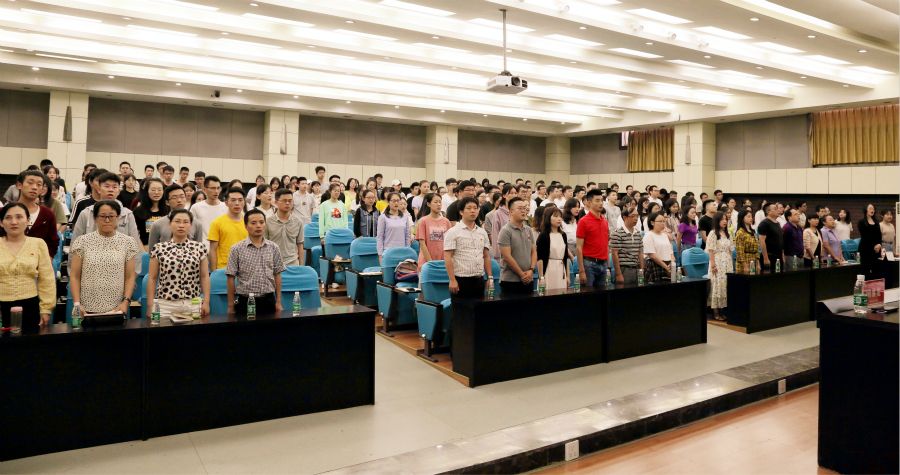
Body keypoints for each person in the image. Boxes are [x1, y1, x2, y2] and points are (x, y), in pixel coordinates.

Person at [70, 200, 140, 315]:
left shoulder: (128, 242)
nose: (107, 220)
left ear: (118, 217)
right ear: (95, 218)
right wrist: (77, 304)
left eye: (111, 216)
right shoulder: (82, 241)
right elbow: (75, 276)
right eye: (102, 216)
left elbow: (130, 276)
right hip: (86, 307)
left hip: (117, 308)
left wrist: (126, 301)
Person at [70, 172, 142, 273]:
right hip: (90, 270)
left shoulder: (127, 214)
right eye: (107, 186)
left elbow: (135, 246)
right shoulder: (86, 213)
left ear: (119, 191)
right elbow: (75, 245)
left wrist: (134, 274)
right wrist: (73, 273)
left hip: (120, 270)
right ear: (99, 189)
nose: (110, 189)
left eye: (114, 187)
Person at [145, 209, 211, 319]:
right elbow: (152, 278)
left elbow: (204, 277)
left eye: (185, 222)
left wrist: (206, 302)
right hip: (166, 304)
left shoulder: (199, 247)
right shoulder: (159, 248)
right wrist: (150, 305)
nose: (181, 225)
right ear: (170, 224)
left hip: (193, 303)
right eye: (177, 221)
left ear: (191, 225)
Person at [0, 203, 55, 328]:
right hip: (1, 305)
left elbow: (47, 279)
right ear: (1, 222)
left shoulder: (38, 244)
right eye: (8, 218)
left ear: (28, 220)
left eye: (19, 217)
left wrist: (46, 309)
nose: (14, 222)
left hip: (30, 304)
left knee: (30, 339)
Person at [226, 209, 286, 315]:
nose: (258, 226)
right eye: (253, 223)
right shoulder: (236, 249)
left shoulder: (273, 247)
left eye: (261, 222)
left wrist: (278, 301)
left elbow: (277, 275)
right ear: (246, 226)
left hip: (268, 300)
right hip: (245, 301)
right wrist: (231, 305)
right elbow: (231, 278)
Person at [443, 197, 492, 298]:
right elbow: (447, 256)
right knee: (462, 308)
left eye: (475, 208)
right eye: (469, 208)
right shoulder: (453, 232)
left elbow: (486, 256)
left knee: (479, 307)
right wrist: (452, 280)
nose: (473, 211)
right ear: (461, 212)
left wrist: (490, 278)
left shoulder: (482, 232)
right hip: (461, 280)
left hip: (479, 279)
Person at [12, 170, 61, 258]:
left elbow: (53, 242)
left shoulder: (47, 214)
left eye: (39, 184)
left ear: (42, 189)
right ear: (19, 185)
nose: (34, 187)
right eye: (30, 183)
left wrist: (46, 262)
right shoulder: (5, 212)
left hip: (38, 263)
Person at [498, 198, 537, 294]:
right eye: (520, 208)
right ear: (511, 212)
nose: (523, 211)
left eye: (524, 208)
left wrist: (531, 270)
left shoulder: (528, 229)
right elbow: (507, 256)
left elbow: (533, 251)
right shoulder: (506, 230)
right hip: (510, 281)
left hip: (529, 279)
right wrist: (521, 274)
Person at [208, 188, 248, 271]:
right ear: (226, 203)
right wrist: (214, 273)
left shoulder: (249, 223)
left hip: (245, 268)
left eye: (240, 200)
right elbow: (213, 250)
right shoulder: (217, 223)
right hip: (223, 269)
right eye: (233, 200)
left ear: (244, 203)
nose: (237, 203)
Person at [576, 189, 610, 287]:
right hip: (589, 264)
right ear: (589, 203)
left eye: (602, 200)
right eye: (597, 200)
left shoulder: (605, 222)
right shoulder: (583, 221)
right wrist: (581, 270)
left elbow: (606, 245)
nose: (601, 203)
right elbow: (579, 248)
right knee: (588, 293)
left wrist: (608, 266)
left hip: (603, 264)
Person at [704, 211, 733, 320]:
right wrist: (713, 265)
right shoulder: (713, 233)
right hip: (717, 262)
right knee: (717, 285)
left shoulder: (728, 234)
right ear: (717, 221)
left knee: (725, 286)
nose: (725, 221)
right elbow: (711, 250)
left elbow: (730, 250)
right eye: (722, 219)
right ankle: (716, 312)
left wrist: (731, 263)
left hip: (727, 262)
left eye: (726, 219)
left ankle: (723, 310)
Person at [264, 189, 304, 267]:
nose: (287, 203)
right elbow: (264, 245)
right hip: (273, 264)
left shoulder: (298, 222)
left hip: (293, 263)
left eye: (290, 201)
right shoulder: (268, 222)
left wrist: (301, 266)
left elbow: (300, 244)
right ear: (276, 202)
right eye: (284, 201)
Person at [536, 207, 572, 290]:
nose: (559, 219)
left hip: (561, 269)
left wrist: (568, 275)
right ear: (548, 218)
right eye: (555, 216)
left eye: (560, 216)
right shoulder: (544, 235)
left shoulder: (563, 235)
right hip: (549, 269)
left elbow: (565, 257)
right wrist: (541, 278)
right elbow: (540, 259)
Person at [416, 192, 451, 272]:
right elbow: (422, 244)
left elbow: (449, 242)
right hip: (427, 264)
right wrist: (431, 263)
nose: (438, 204)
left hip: (443, 263)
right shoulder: (423, 221)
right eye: (435, 202)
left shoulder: (446, 221)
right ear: (428, 204)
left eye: (440, 202)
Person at [191, 175, 228, 250]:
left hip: (222, 248)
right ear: (204, 189)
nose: (216, 191)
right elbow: (191, 229)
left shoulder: (226, 207)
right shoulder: (196, 207)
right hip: (202, 248)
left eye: (218, 188)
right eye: (213, 188)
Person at [610, 206, 644, 284]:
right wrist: (618, 274)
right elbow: (614, 254)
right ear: (625, 217)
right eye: (633, 216)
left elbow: (640, 252)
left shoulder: (638, 233)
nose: (636, 218)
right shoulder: (617, 233)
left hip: (636, 268)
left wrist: (642, 269)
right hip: (624, 269)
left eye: (637, 216)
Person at [132, 178, 168, 249]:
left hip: (166, 247)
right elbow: (135, 235)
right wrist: (143, 251)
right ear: (147, 191)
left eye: (159, 190)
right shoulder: (138, 211)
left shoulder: (169, 210)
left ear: (163, 191)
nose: (156, 192)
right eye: (153, 190)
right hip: (146, 247)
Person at [643, 211, 675, 283]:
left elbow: (671, 252)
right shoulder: (649, 235)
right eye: (660, 221)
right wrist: (665, 267)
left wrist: (672, 264)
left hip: (667, 265)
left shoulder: (665, 236)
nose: (663, 223)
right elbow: (652, 255)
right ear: (652, 223)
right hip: (655, 265)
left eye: (664, 221)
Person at [376, 192, 411, 258]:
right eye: (394, 201)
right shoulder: (383, 217)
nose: (396, 203)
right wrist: (380, 254)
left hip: (402, 251)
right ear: (388, 202)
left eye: (398, 201)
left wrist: (407, 250)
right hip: (388, 252)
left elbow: (407, 236)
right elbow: (380, 237)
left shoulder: (405, 217)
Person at [490, 185, 516, 262]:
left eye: (515, 193)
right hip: (504, 251)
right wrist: (497, 256)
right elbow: (496, 235)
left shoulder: (518, 211)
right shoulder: (498, 213)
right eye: (511, 193)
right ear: (504, 195)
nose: (514, 195)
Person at [758, 203, 784, 269]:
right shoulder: (764, 223)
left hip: (778, 256)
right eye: (775, 209)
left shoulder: (777, 223)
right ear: (768, 212)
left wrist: (782, 255)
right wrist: (765, 258)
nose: (778, 210)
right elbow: (762, 241)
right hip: (770, 256)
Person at [734, 209, 760, 273]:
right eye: (748, 217)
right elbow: (740, 252)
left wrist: (758, 263)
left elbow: (757, 249)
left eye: (751, 216)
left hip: (754, 260)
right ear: (742, 218)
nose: (751, 218)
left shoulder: (753, 232)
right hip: (745, 261)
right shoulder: (740, 233)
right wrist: (745, 266)